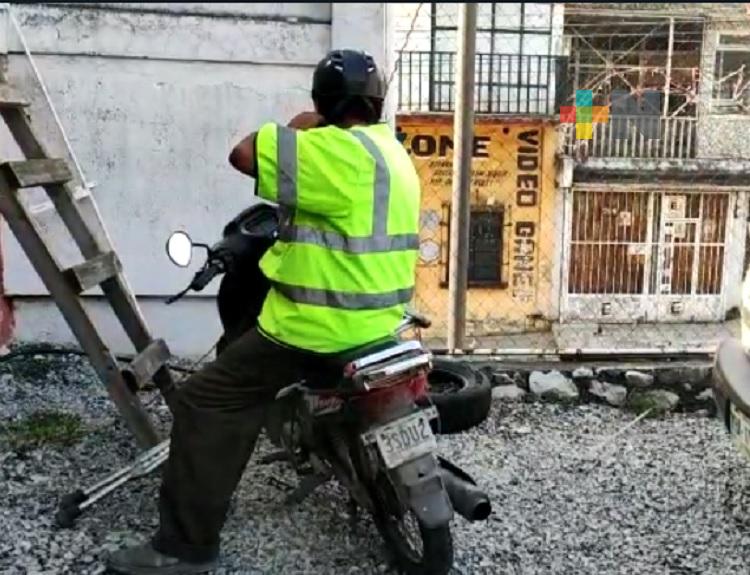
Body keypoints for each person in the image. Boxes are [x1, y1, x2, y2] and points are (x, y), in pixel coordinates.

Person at [107, 48, 422, 574]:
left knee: (206, 399)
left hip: (315, 330)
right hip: (385, 323)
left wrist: (302, 123)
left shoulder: (329, 150)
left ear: (324, 101)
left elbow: (244, 153)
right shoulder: (393, 154)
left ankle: (183, 547)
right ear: (376, 102)